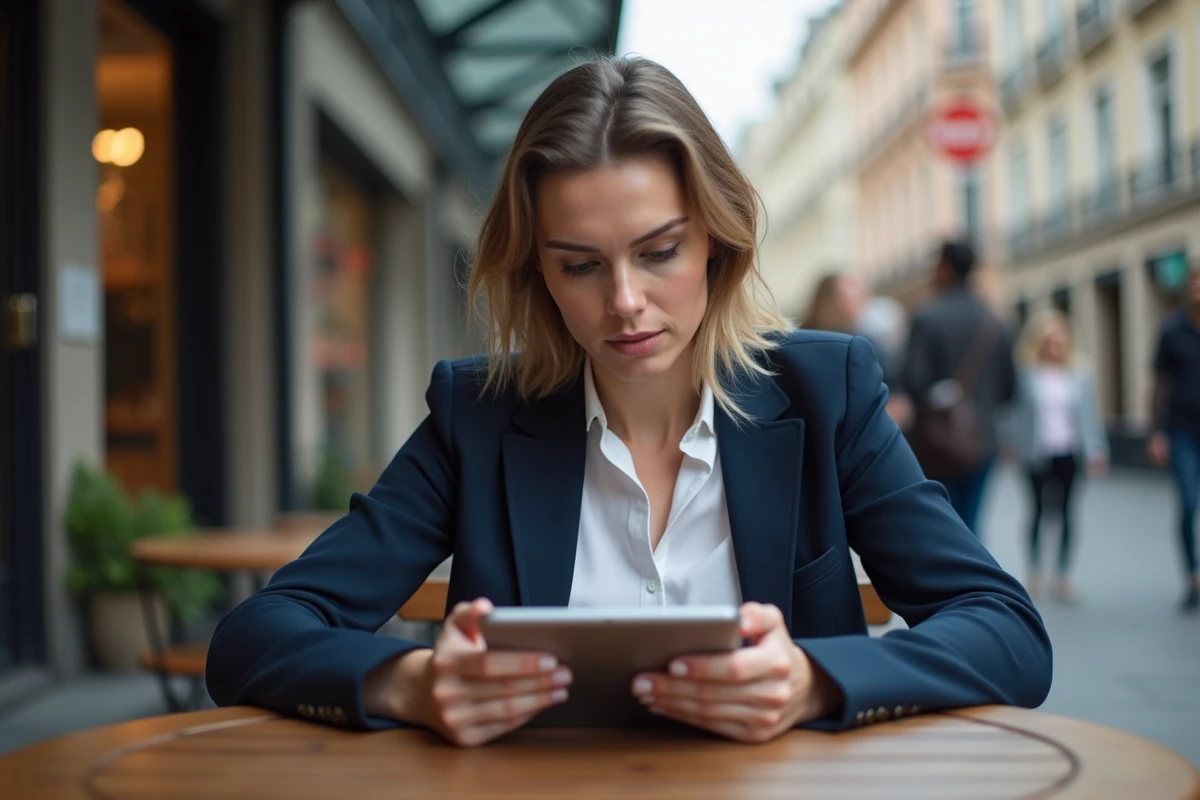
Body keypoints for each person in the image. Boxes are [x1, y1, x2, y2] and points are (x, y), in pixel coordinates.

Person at [205, 57, 1051, 747]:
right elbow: (254, 637)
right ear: (539, 270)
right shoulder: (479, 416)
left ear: (716, 242)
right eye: (580, 264)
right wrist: (411, 681)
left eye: (659, 252)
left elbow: (1008, 631)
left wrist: (815, 681)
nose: (625, 302)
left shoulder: (828, 394)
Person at [902, 240, 1017, 537]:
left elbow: (914, 381)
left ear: (945, 267)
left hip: (936, 442)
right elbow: (1010, 389)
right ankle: (975, 580)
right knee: (973, 524)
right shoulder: (997, 321)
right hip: (983, 441)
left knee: (940, 524)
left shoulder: (926, 317)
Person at [1002, 309, 1108, 602]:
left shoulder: (1080, 375)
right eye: (1050, 341)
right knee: (1036, 510)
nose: (1056, 347)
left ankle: (1063, 575)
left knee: (1067, 512)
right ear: (1040, 343)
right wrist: (1010, 442)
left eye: (1061, 341)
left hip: (1069, 452)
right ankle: (1035, 570)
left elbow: (1089, 416)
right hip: (1035, 451)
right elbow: (1012, 412)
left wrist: (1097, 449)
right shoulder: (1026, 374)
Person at [1147, 264, 1200, 613]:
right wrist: (1156, 432)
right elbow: (1158, 384)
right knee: (1188, 503)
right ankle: (1192, 576)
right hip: (1181, 430)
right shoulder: (1172, 329)